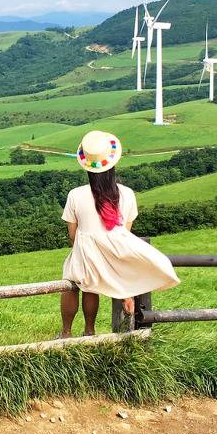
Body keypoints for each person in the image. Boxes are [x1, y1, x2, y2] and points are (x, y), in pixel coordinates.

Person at [59, 130, 180, 337]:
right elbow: (125, 233)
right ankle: (92, 329)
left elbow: (72, 234)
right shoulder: (127, 194)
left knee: (72, 279)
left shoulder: (75, 195)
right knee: (91, 283)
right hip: (116, 255)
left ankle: (66, 332)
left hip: (86, 253)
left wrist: (85, 251)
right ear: (112, 163)